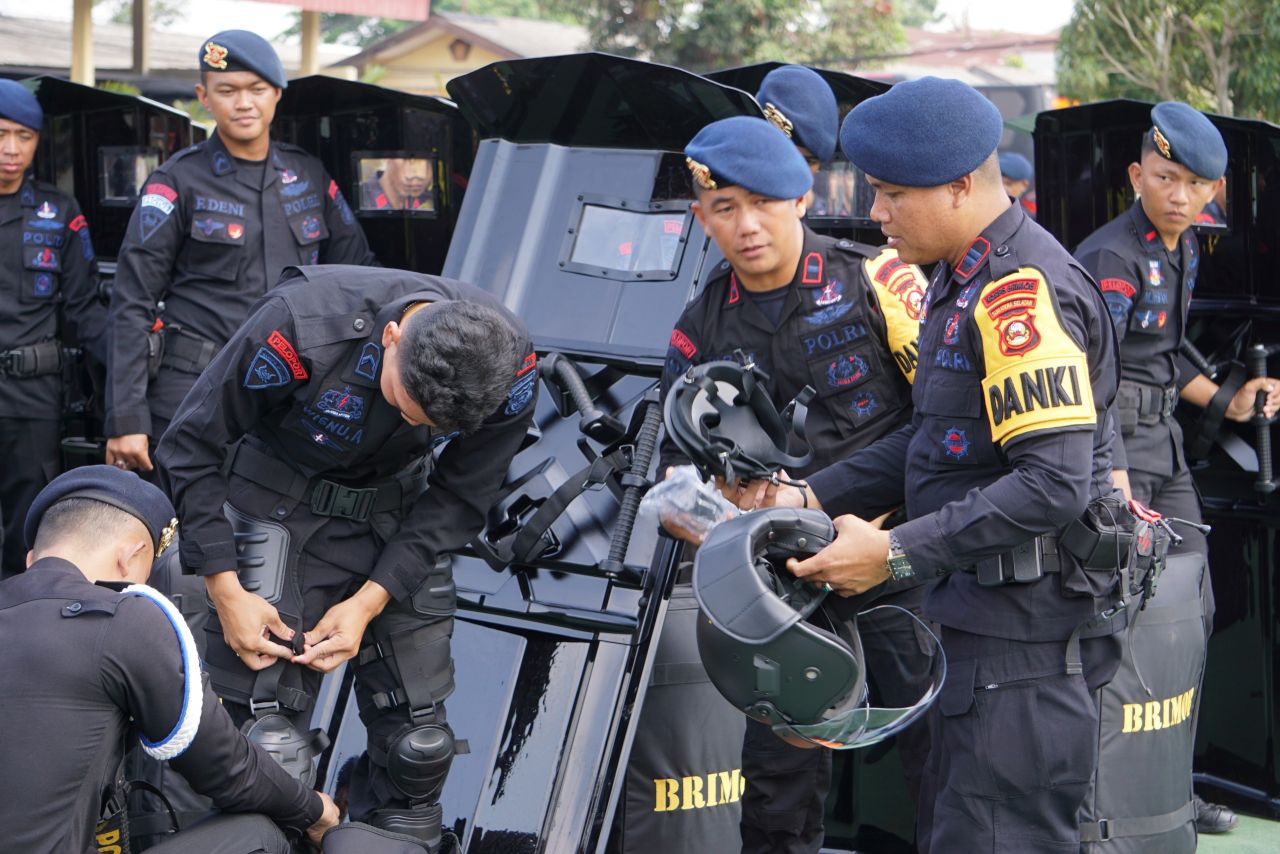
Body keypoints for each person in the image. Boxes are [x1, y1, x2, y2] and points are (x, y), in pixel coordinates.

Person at [731, 77, 1126, 852]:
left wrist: (895, 553)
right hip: (976, 626)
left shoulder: (1017, 292)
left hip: (1023, 646)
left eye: (892, 194)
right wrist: (804, 495)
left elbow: (1051, 483)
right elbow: (930, 438)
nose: (876, 212)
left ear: (960, 186)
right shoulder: (960, 277)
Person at [155, 264, 537, 852]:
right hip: (276, 504)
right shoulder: (300, 326)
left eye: (428, 426)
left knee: (419, 749)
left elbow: (461, 495)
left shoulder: (507, 366)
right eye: (405, 406)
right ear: (392, 337)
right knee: (269, 747)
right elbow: (189, 446)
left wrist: (369, 601)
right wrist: (224, 590)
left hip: (398, 517)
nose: (408, 423)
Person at [665, 113, 930, 854]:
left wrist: (830, 505)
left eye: (763, 203)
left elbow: (943, 428)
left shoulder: (879, 280)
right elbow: (676, 455)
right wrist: (696, 505)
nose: (747, 225)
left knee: (944, 757)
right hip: (786, 588)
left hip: (899, 553)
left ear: (802, 198)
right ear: (702, 219)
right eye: (725, 208)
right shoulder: (701, 324)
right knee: (778, 789)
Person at [1074, 101, 1280, 835]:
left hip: (1163, 446)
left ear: (1213, 192)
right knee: (1126, 625)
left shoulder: (1184, 246)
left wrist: (1228, 401)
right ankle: (1105, 798)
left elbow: (1164, 356)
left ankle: (1169, 786)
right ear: (1137, 176)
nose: (1180, 195)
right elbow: (1093, 374)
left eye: (1195, 184)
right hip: (1119, 454)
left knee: (1191, 615)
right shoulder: (1112, 257)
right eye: (1165, 178)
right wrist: (1112, 478)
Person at [0, 464, 338, 854]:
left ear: (31, 558)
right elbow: (224, 768)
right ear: (131, 558)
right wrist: (315, 811)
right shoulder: (124, 618)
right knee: (262, 834)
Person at [105, 29, 377, 476]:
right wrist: (127, 419)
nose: (244, 103)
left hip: (291, 395)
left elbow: (361, 273)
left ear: (277, 94)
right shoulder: (176, 181)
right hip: (193, 389)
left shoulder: (308, 175)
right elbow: (131, 302)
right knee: (186, 516)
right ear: (204, 97)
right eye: (227, 90)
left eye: (257, 89)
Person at [0, 79, 106, 578]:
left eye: (23, 136)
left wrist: (131, 387)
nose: (11, 149)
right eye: (1, 134)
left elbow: (87, 311)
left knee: (27, 538)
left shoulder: (58, 212)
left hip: (31, 400)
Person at [360, 158, 435, 211]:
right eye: (407, 159)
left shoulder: (432, 202)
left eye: (429, 162)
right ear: (387, 157)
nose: (420, 175)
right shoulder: (358, 200)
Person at [998, 150, 1037, 219]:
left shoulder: (1030, 218)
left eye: (1008, 184)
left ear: (1024, 185)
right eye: (997, 183)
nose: (1002, 188)